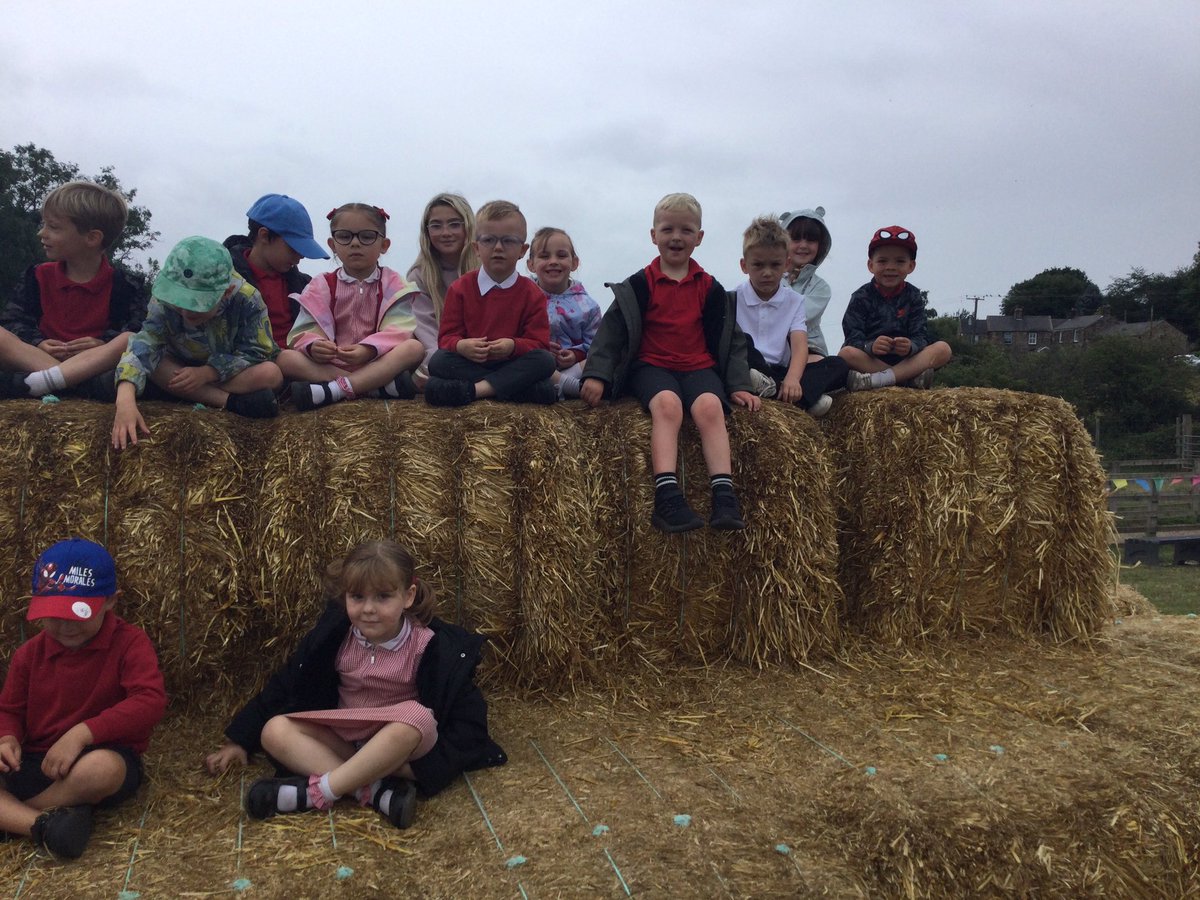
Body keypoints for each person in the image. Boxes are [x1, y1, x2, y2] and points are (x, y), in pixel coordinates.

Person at [204, 540, 506, 830]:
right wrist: (241, 740)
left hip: (398, 745)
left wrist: (424, 771)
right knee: (274, 730)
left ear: (408, 596)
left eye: (383, 597)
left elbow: (469, 721)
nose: (368, 609)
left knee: (416, 716)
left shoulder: (431, 646)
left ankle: (317, 793)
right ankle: (373, 792)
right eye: (357, 597)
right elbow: (286, 682)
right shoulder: (336, 636)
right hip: (346, 741)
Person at [581, 193, 760, 533]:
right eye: (667, 229)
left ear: (699, 237)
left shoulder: (709, 288)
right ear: (653, 235)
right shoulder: (639, 285)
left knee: (710, 407)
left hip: (698, 366)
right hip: (652, 366)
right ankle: (667, 497)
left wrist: (738, 385)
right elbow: (611, 333)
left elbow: (733, 340)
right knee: (667, 405)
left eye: (686, 230)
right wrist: (597, 375)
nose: (676, 237)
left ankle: (724, 496)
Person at [0, 538, 167, 859]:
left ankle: (19, 815)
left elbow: (149, 701)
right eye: (54, 615)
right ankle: (46, 825)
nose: (65, 626)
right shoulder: (28, 655)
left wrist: (82, 733)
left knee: (101, 769)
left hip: (100, 753)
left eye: (78, 614)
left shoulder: (130, 644)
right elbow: (9, 710)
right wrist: (7, 738)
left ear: (110, 601)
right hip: (35, 761)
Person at [111, 236, 284, 450]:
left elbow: (257, 351)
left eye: (197, 305)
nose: (185, 312)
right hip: (177, 367)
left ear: (226, 292)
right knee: (155, 362)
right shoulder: (164, 296)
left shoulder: (248, 298)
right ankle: (229, 402)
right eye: (179, 303)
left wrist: (208, 373)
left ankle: (174, 392)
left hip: (228, 373)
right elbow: (146, 343)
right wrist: (125, 398)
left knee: (270, 374)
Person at [0, 180, 147, 401]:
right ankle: (76, 384)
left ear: (92, 238)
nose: (42, 233)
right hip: (38, 358)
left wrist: (103, 343)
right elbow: (13, 321)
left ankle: (46, 382)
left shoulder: (125, 285)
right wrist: (38, 342)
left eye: (53, 227)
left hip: (94, 363)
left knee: (129, 339)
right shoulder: (37, 276)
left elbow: (136, 328)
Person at [279, 204, 425, 410]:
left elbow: (399, 329)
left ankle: (335, 389)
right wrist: (314, 345)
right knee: (285, 358)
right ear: (332, 244)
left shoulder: (393, 283)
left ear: (384, 245)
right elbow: (306, 328)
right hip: (332, 363)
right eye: (345, 236)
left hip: (379, 360)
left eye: (367, 236)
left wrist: (368, 349)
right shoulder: (321, 284)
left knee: (414, 348)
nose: (355, 243)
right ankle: (371, 387)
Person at [424, 201, 556, 406]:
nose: (498, 248)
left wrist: (513, 346)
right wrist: (462, 346)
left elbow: (539, 344)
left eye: (508, 241)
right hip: (472, 364)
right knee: (439, 361)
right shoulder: (460, 288)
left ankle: (477, 391)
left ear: (522, 250)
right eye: (488, 240)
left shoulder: (532, 293)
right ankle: (511, 389)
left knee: (545, 361)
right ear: (476, 248)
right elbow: (447, 338)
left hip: (512, 363)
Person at [733, 216, 848, 417]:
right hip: (750, 366)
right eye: (758, 265)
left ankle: (777, 390)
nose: (767, 273)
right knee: (743, 343)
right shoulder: (733, 298)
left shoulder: (795, 301)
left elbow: (800, 345)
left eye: (775, 265)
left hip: (780, 369)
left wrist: (793, 379)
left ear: (786, 264)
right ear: (744, 265)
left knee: (839, 365)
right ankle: (803, 399)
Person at [838, 226, 953, 390]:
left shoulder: (914, 296)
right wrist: (870, 346)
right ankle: (905, 380)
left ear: (911, 266)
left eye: (900, 261)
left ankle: (879, 379)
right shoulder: (861, 296)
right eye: (882, 261)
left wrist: (911, 346)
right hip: (872, 360)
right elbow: (852, 336)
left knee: (943, 349)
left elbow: (921, 335)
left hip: (907, 360)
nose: (890, 267)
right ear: (870, 265)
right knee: (846, 353)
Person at [222, 194, 329, 349]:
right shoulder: (223, 280)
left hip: (300, 356)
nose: (301, 256)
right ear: (264, 236)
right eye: (294, 248)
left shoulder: (306, 286)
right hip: (249, 359)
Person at [405, 194, 480, 384]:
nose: (445, 233)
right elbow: (425, 330)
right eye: (436, 226)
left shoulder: (485, 270)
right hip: (442, 357)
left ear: (468, 227)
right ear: (427, 231)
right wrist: (440, 363)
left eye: (454, 224)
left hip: (482, 352)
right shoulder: (419, 275)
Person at [526, 227, 601, 400]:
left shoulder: (588, 306)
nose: (553, 261)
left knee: (608, 356)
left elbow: (596, 346)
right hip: (537, 364)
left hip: (574, 369)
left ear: (574, 263)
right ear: (531, 264)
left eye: (561, 255)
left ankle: (561, 384)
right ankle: (572, 388)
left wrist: (576, 354)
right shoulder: (523, 299)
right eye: (544, 256)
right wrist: (540, 347)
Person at [779, 207, 834, 358]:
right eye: (796, 239)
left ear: (820, 245)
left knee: (835, 365)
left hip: (808, 349)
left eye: (811, 240)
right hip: (769, 346)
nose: (803, 245)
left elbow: (798, 315)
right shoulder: (767, 278)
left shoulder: (821, 288)